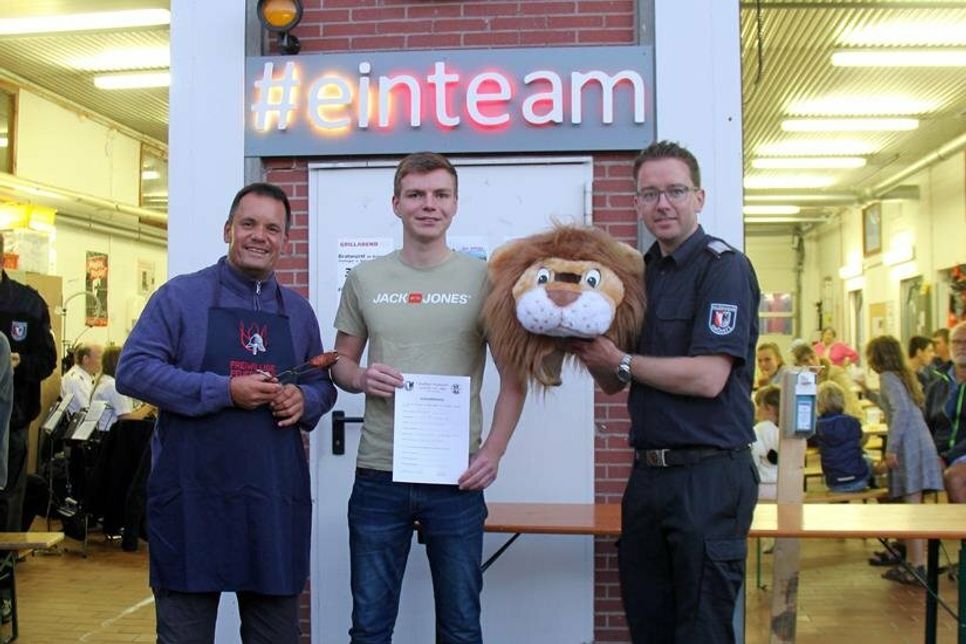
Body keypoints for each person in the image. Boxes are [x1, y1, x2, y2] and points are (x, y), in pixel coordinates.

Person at [115, 182, 337, 643]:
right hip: (192, 502)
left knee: (275, 637)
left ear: (285, 240)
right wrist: (224, 390)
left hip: (272, 505)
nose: (259, 235)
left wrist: (306, 400)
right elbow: (133, 371)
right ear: (227, 230)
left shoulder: (297, 313)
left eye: (272, 228)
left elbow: (320, 384)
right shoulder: (180, 297)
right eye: (249, 224)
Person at [329, 152, 526, 644]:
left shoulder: (486, 280)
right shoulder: (365, 278)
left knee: (461, 627)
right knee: (370, 628)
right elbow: (340, 363)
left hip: (455, 478)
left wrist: (493, 453)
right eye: (415, 194)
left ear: (456, 204)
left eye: (440, 194)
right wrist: (360, 379)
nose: (428, 205)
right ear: (396, 203)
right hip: (380, 474)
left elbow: (514, 379)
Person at [572, 140, 760, 643]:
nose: (663, 204)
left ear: (699, 197)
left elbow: (709, 377)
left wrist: (623, 361)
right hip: (649, 480)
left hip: (709, 475)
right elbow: (615, 381)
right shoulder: (637, 278)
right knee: (648, 624)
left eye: (675, 191)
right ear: (636, 203)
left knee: (701, 629)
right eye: (650, 193)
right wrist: (584, 346)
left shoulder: (724, 269)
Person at [866, 335, 943, 585]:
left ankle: (917, 565)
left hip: (909, 445)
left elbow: (898, 412)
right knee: (914, 506)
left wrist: (892, 448)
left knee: (911, 509)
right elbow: (894, 405)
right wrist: (867, 392)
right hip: (920, 441)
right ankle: (915, 561)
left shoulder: (888, 377)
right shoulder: (903, 375)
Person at [0, 233, 58, 531]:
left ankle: (4, 569)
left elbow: (48, 361)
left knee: (8, 497)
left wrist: (20, 363)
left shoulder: (28, 304)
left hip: (12, 421)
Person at [925, 322, 966, 501]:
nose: (961, 347)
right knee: (900, 474)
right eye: (956, 342)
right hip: (939, 452)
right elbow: (926, 426)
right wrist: (929, 454)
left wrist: (947, 457)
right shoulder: (936, 385)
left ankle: (959, 527)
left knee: (954, 477)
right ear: (949, 346)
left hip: (961, 453)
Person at [814, 381, 871, 493]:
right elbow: (860, 439)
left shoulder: (818, 427)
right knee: (868, 459)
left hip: (833, 482)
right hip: (858, 480)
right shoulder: (853, 422)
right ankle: (876, 490)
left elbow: (813, 441)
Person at [790, 342, 863, 420]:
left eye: (812, 357)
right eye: (805, 361)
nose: (811, 362)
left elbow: (849, 401)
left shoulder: (836, 373)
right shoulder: (799, 380)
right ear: (798, 365)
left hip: (842, 421)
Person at [90, 344, 154, 432]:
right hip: (111, 438)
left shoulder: (105, 381)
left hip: (105, 435)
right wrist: (151, 406)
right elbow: (127, 420)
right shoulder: (113, 385)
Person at [752, 385, 780, 500]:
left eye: (758, 406)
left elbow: (753, 460)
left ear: (768, 408)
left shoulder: (758, 430)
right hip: (783, 486)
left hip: (762, 487)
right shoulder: (785, 430)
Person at [60, 343, 103, 415]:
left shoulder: (88, 377)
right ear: (86, 359)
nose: (102, 362)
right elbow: (91, 410)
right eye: (99, 358)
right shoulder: (75, 380)